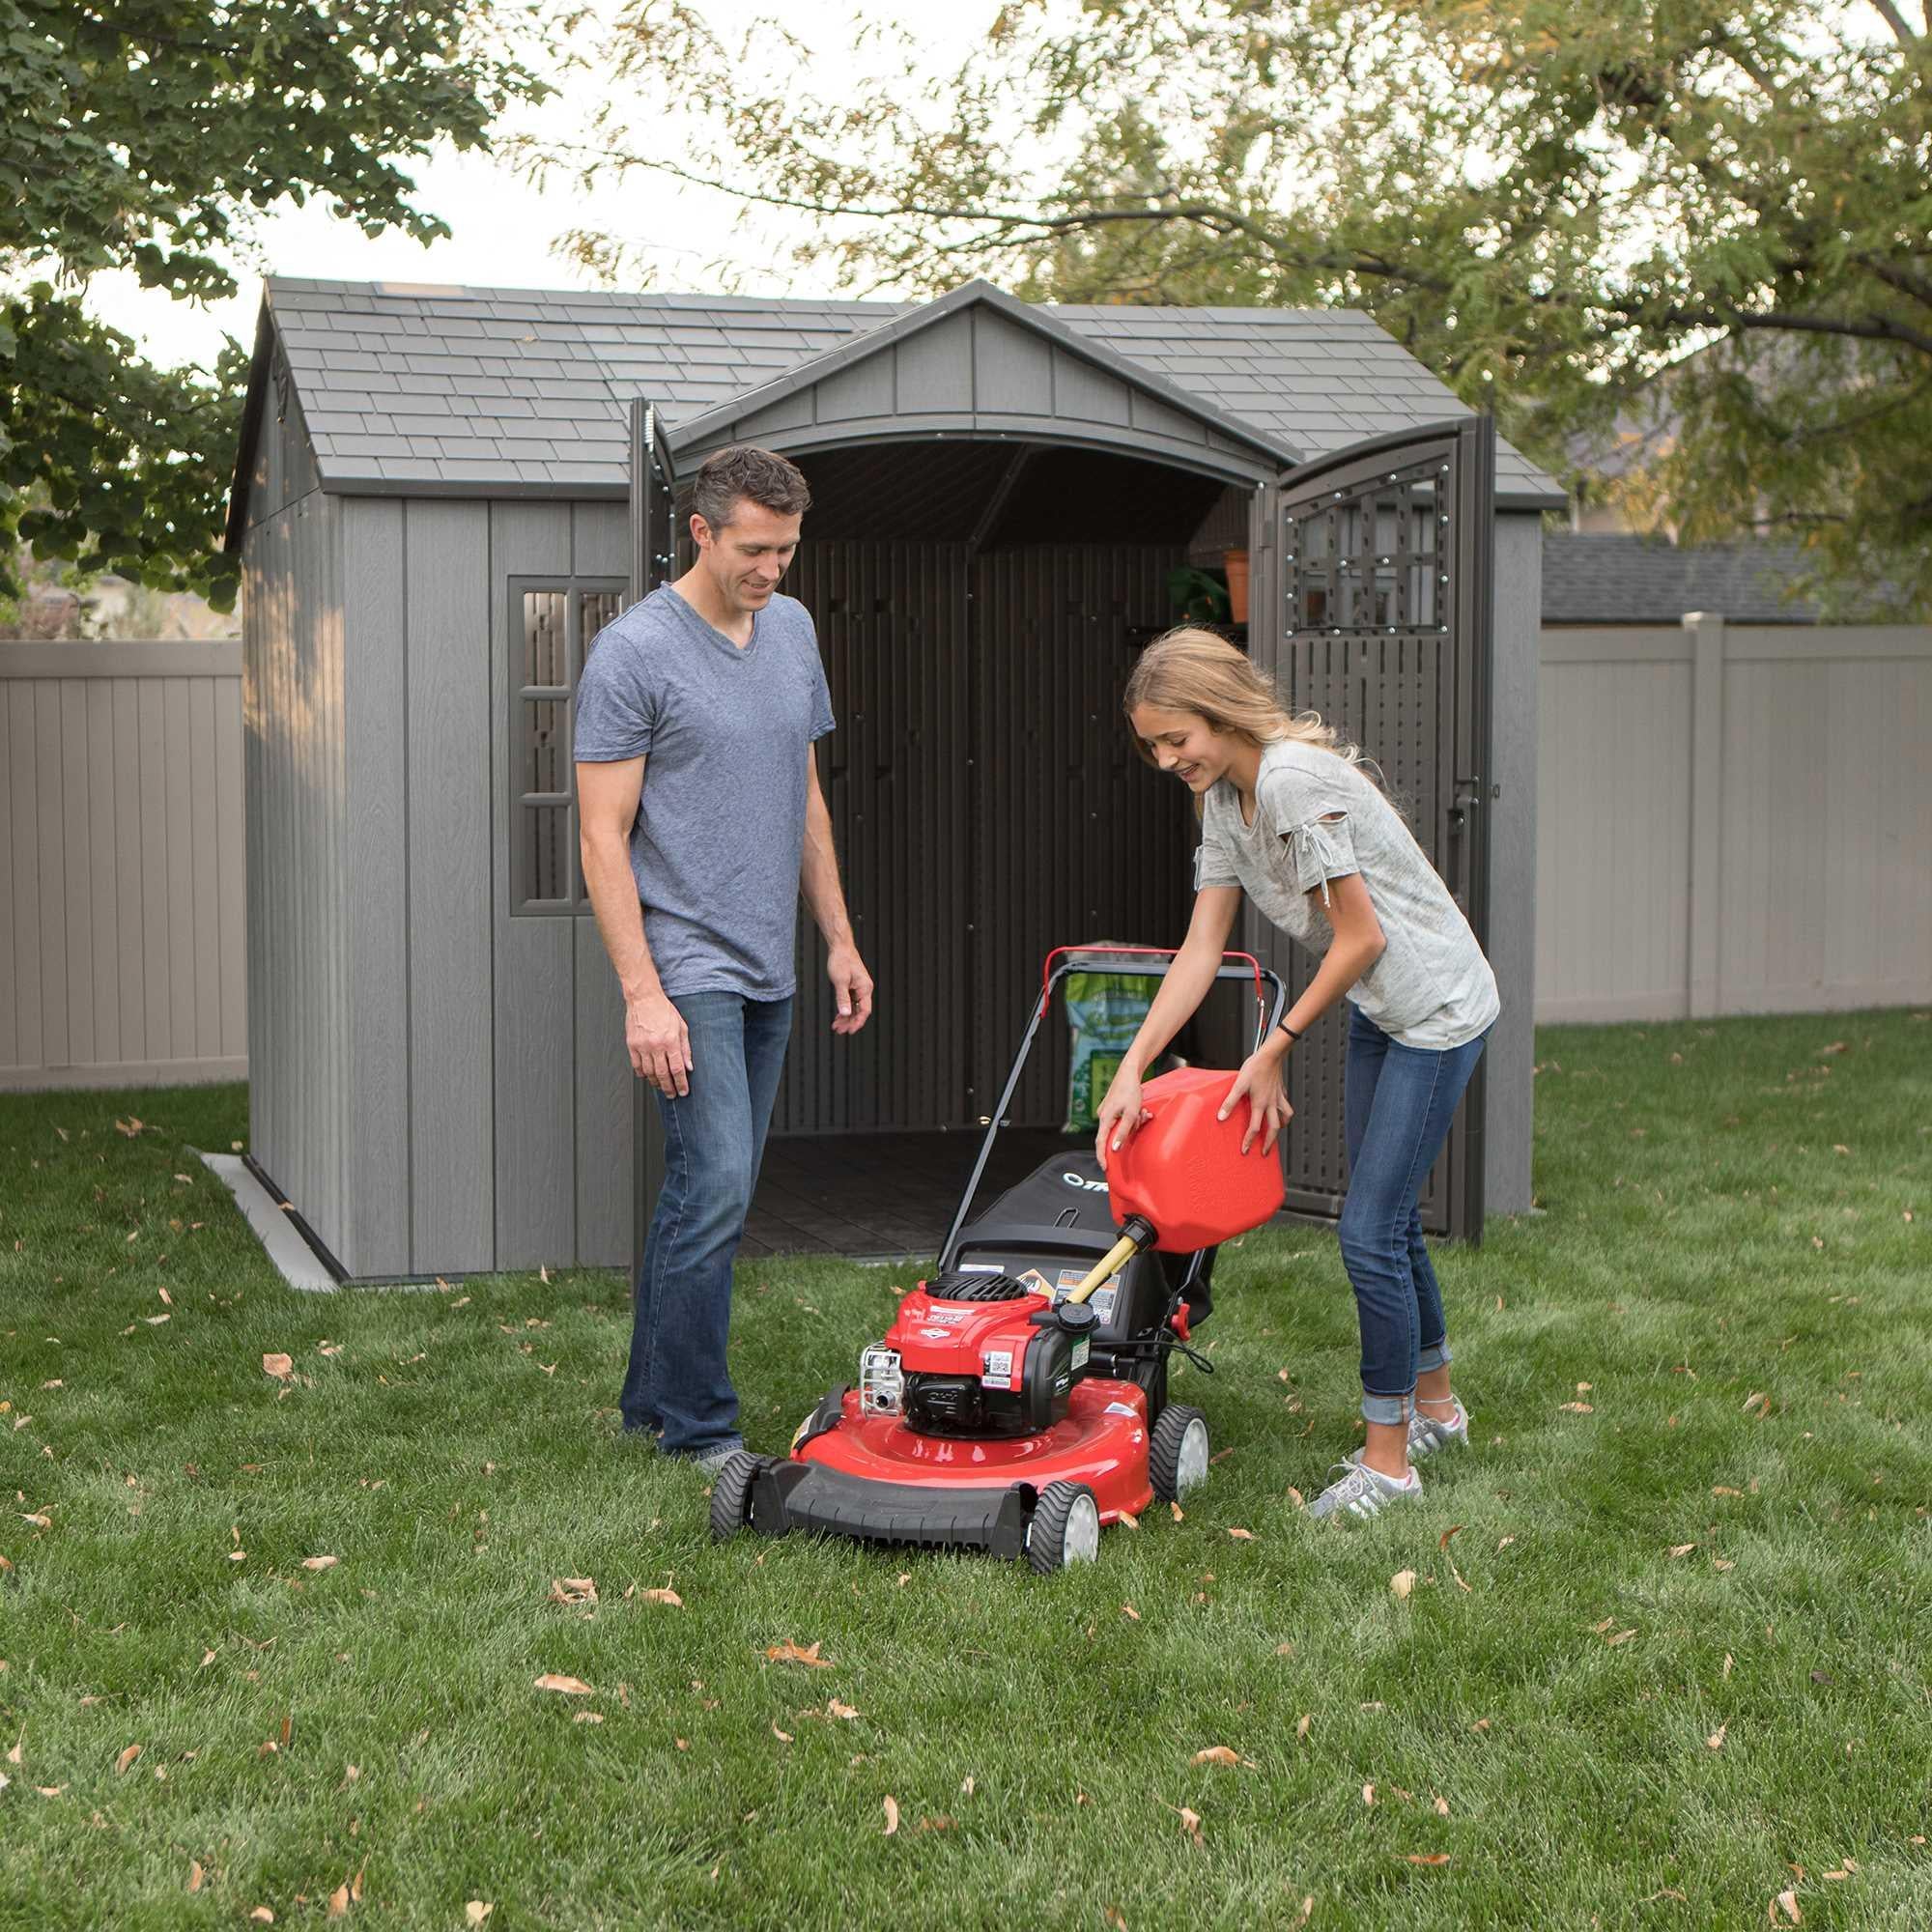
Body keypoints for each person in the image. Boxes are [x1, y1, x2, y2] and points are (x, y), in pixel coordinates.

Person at [1095, 628, 1497, 1523]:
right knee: (1387, 1221)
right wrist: (1132, 1067)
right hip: (1379, 1005)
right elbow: (1203, 949)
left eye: (1177, 738)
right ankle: (1437, 1411)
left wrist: (1273, 1044)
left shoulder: (1288, 782)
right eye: (1153, 745)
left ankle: (1388, 1463)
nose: (1167, 759)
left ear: (1220, 711)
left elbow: (1363, 936)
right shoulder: (1226, 806)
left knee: (1367, 1232)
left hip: (1434, 1009)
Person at [574, 443, 873, 1473]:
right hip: (685, 958)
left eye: (786, 549)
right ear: (699, 532)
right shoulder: (635, 653)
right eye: (755, 548)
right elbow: (601, 833)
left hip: (770, 961)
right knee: (710, 1186)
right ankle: (701, 1426)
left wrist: (835, 935)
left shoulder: (789, 631)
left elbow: (804, 797)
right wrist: (642, 993)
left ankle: (649, 1404)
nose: (773, 569)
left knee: (718, 1185)